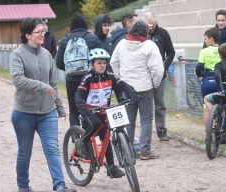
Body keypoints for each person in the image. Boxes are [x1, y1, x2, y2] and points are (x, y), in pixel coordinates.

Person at [9, 17, 78, 192]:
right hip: (24, 113)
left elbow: (53, 83)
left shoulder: (47, 54)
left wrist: (60, 107)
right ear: (27, 35)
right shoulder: (17, 54)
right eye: (39, 31)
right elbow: (17, 79)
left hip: (47, 113)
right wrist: (41, 85)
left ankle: (60, 187)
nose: (43, 34)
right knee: (25, 151)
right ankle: (23, 187)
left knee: (52, 149)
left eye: (43, 31)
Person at [75, 48, 137, 177]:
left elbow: (121, 84)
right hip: (89, 111)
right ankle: (83, 143)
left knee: (107, 135)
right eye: (99, 63)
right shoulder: (88, 78)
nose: (102, 65)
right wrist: (82, 107)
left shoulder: (110, 76)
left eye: (104, 63)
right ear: (91, 64)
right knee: (96, 123)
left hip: (104, 110)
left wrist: (132, 92)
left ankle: (112, 167)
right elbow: (79, 94)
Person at [110, 20, 164, 160]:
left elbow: (113, 62)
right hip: (145, 87)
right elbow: (157, 69)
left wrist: (121, 78)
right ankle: (145, 150)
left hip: (127, 88)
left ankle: (129, 150)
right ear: (146, 32)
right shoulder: (150, 46)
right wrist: (155, 83)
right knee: (146, 120)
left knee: (129, 121)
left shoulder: (122, 44)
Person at [56, 12, 102, 127]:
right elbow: (101, 59)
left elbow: (59, 63)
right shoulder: (93, 38)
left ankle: (76, 139)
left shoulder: (65, 40)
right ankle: (87, 136)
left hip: (71, 80)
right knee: (88, 107)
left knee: (73, 111)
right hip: (89, 78)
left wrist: (71, 70)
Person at [143, 12, 175, 141]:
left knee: (160, 103)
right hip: (145, 75)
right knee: (146, 105)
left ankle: (161, 130)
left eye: (153, 24)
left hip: (160, 75)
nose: (150, 27)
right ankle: (146, 132)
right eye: (148, 24)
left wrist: (163, 67)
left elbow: (171, 53)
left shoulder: (163, 33)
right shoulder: (141, 35)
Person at [196, 27, 221, 130]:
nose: (205, 41)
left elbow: (199, 68)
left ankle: (207, 132)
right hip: (219, 81)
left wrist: (200, 76)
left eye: (205, 38)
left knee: (206, 108)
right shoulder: (222, 50)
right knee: (220, 105)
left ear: (211, 39)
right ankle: (220, 129)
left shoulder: (204, 51)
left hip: (207, 80)